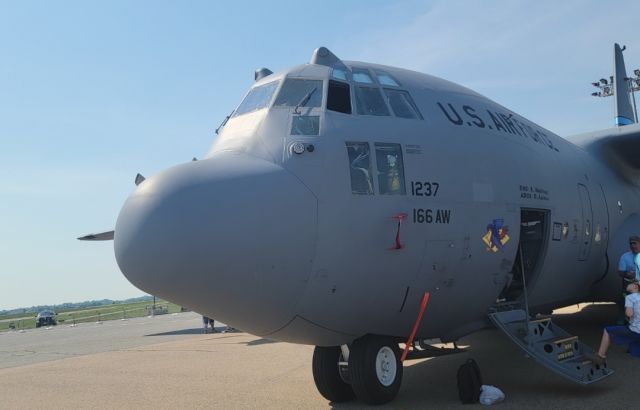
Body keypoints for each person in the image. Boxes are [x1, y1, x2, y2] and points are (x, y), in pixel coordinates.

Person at [592, 282, 640, 362]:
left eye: (629, 284)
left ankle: (600, 356)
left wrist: (627, 308)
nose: (627, 285)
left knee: (607, 330)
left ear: (635, 286)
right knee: (635, 349)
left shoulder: (630, 297)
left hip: (636, 330)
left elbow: (629, 314)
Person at [616, 236, 640, 323]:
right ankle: (622, 324)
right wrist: (628, 274)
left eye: (635, 243)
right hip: (628, 286)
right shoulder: (625, 256)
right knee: (625, 305)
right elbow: (620, 272)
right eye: (631, 243)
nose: (633, 245)